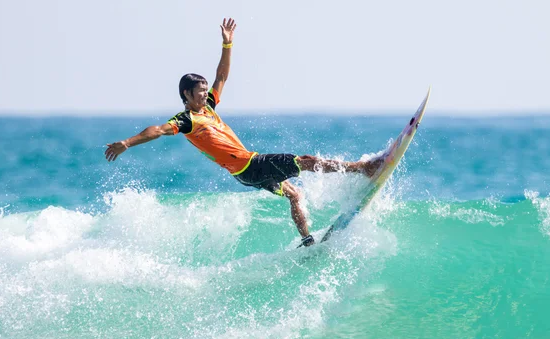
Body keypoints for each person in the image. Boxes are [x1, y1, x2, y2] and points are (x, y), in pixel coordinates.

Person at [105, 18, 383, 247]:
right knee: (305, 161)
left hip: (244, 174)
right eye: (200, 92)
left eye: (205, 91)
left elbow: (222, 76)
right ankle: (362, 168)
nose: (205, 95)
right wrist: (127, 143)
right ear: (186, 94)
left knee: (294, 195)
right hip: (249, 164)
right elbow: (157, 130)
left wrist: (227, 43)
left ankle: (307, 239)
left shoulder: (209, 107)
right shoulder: (187, 119)